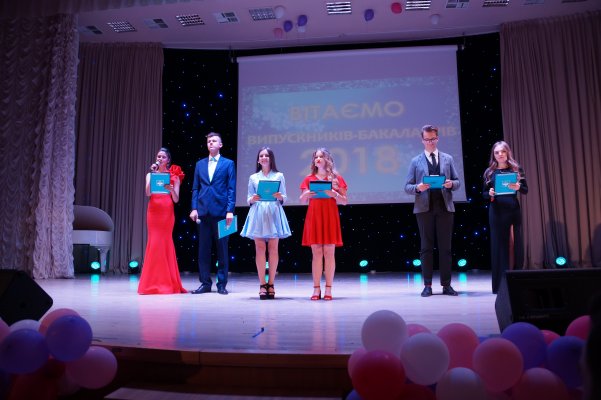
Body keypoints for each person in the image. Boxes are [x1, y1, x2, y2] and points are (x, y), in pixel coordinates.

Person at [405, 125, 461, 297]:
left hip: (444, 208)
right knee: (426, 248)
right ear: (422, 140)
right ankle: (427, 285)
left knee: (445, 248)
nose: (430, 142)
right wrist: (418, 187)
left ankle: (446, 285)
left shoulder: (447, 159)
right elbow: (407, 186)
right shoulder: (415, 161)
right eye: (427, 139)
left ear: (437, 138)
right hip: (424, 209)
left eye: (433, 139)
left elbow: (457, 182)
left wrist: (451, 184)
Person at [240, 147, 291, 300]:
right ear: (258, 159)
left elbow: (284, 197)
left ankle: (271, 283)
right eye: (261, 155)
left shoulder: (279, 175)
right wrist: (252, 199)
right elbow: (249, 198)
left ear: (271, 158)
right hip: (259, 212)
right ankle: (262, 284)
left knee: (274, 248)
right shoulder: (253, 177)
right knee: (260, 248)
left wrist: (280, 196)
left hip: (274, 212)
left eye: (267, 155)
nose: (264, 157)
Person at [189, 132, 236, 295]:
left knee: (222, 249)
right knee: (203, 250)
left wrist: (230, 211)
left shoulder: (228, 163)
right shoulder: (200, 164)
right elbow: (196, 188)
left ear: (220, 145)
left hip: (222, 212)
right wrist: (194, 208)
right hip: (203, 212)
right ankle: (205, 283)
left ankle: (221, 284)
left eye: (214, 140)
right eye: (209, 141)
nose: (211, 143)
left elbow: (231, 189)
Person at [300, 148, 347, 301]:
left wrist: (335, 194)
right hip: (314, 216)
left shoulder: (336, 178)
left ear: (327, 159)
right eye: (316, 157)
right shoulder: (309, 178)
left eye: (321, 156)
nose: (318, 159)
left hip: (329, 216)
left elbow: (344, 201)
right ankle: (316, 289)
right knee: (316, 253)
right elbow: (302, 199)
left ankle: (328, 288)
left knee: (329, 252)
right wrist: (306, 194)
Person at [138, 147, 187, 295]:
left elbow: (176, 199)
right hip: (153, 211)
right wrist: (153, 175)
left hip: (166, 212)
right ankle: (150, 284)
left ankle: (166, 283)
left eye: (163, 157)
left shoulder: (174, 176)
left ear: (168, 160)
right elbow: (148, 193)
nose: (160, 159)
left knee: (165, 243)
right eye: (158, 156)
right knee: (153, 243)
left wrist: (171, 189)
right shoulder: (150, 174)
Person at [482, 141, 528, 294]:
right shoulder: (490, 172)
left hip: (512, 210)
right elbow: (484, 193)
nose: (500, 154)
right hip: (496, 211)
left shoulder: (516, 169)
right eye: (497, 152)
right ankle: (500, 284)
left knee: (513, 245)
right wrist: (489, 193)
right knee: (499, 246)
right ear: (493, 155)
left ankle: (514, 280)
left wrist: (518, 187)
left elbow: (525, 190)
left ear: (508, 152)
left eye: (503, 151)